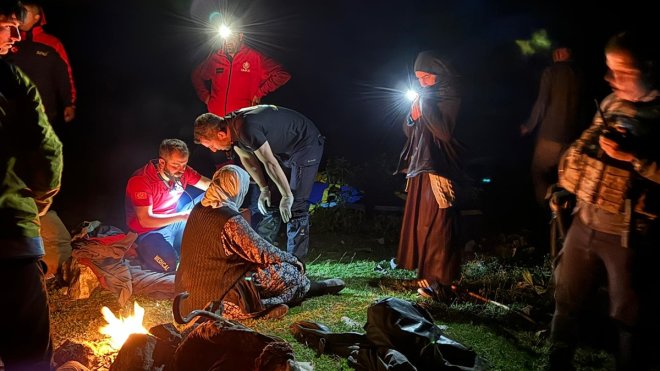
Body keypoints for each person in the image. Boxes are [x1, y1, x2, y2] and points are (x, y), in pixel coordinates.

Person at [550, 30, 660, 370]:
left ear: (649, 69)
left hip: (627, 235)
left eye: (623, 71)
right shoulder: (611, 104)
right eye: (609, 69)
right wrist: (569, 187)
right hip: (585, 223)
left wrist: (635, 157)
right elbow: (587, 152)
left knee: (628, 319)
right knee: (565, 303)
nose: (611, 79)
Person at [176, 165, 344, 319]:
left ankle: (268, 304)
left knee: (257, 276)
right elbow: (262, 251)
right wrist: (293, 260)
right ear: (236, 188)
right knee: (289, 273)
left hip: (186, 301)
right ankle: (299, 293)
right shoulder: (228, 218)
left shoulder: (198, 209)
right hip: (218, 301)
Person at [1, 1, 64, 368]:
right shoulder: (11, 80)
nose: (16, 35)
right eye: (8, 26)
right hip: (10, 239)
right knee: (29, 359)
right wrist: (35, 204)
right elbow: (47, 153)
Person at [193, 105, 325, 261]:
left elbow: (269, 163)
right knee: (272, 201)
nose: (213, 150)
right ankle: (262, 258)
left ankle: (296, 265)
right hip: (284, 151)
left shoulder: (247, 127)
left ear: (221, 135)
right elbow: (248, 159)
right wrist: (264, 189)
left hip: (305, 144)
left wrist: (287, 195)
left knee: (296, 204)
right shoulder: (230, 129)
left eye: (211, 145)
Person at [394, 51, 466, 299]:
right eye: (419, 78)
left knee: (438, 224)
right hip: (420, 167)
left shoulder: (450, 95)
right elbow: (410, 131)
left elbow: (445, 133)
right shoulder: (429, 97)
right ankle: (425, 275)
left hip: (440, 169)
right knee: (422, 223)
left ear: (439, 75)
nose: (422, 82)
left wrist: (424, 105)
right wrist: (412, 118)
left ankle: (441, 280)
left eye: (426, 77)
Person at [125, 139, 211, 273]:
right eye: (176, 165)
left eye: (184, 164)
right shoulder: (141, 180)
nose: (181, 170)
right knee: (169, 264)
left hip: (176, 222)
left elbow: (208, 185)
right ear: (162, 162)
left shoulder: (184, 172)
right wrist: (183, 216)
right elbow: (145, 220)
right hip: (149, 233)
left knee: (219, 193)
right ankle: (154, 253)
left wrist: (223, 188)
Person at [521, 45, 587, 207]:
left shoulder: (551, 71)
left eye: (559, 50)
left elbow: (542, 103)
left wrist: (528, 126)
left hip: (550, 136)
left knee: (539, 172)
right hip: (573, 137)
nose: (554, 54)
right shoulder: (581, 73)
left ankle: (546, 214)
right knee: (565, 178)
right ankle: (564, 213)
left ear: (564, 53)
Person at [7, 1, 75, 126]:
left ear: (36, 18)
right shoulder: (8, 40)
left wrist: (69, 104)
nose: (18, 16)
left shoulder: (52, 43)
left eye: (23, 13)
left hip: (44, 112)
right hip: (12, 112)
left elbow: (65, 75)